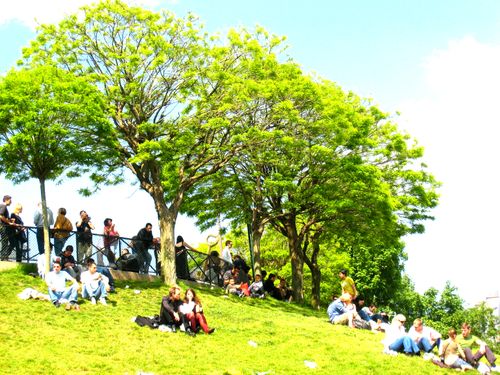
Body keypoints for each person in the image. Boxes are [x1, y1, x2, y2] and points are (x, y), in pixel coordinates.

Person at [0, 195, 14, 260]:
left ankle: (3, 257)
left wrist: (9, 220)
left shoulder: (3, 206)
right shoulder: (3, 206)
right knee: (5, 241)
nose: (11, 202)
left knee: (4, 241)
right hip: (3, 227)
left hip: (3, 226)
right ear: (6, 200)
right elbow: (1, 216)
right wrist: (8, 222)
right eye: (10, 200)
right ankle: (3, 257)